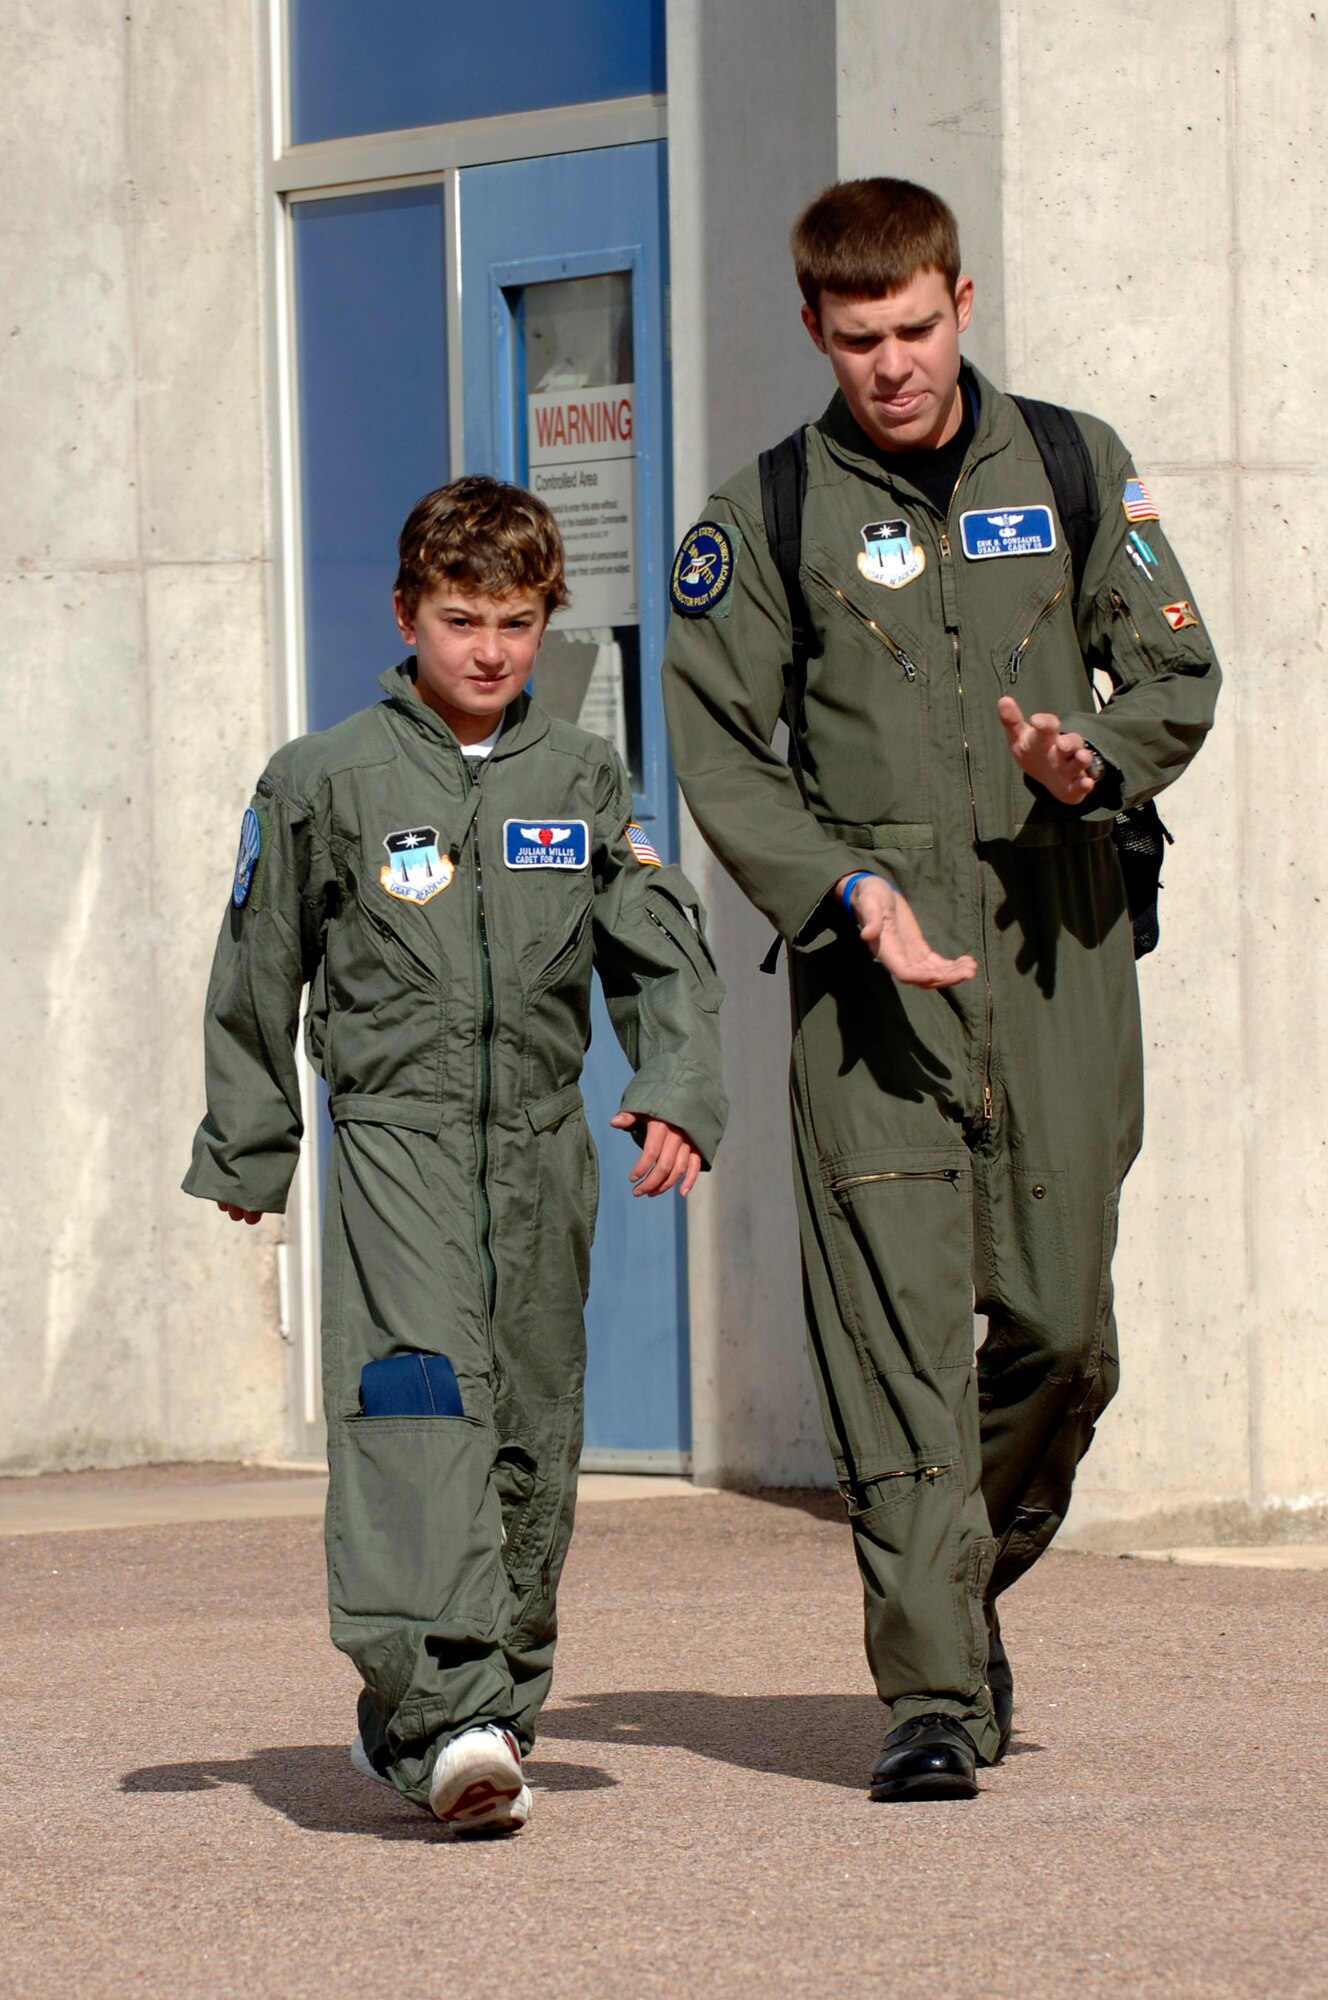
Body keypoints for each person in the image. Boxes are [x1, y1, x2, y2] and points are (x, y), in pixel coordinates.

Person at [661, 178, 1218, 1801]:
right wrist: (844, 886)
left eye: (914, 329)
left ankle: (951, 1595)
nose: (891, 365)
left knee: (1062, 1336)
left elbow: (1177, 667)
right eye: (857, 341)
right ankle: (930, 1703)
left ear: (961, 302)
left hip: (1056, 949)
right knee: (898, 1346)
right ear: (817, 330)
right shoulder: (762, 513)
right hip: (874, 983)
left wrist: (1086, 759)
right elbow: (717, 748)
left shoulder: (1073, 464)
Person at [184, 477, 726, 1834]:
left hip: (544, 1155)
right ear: (406, 614)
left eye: (518, 621)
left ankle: (478, 1711)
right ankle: (445, 1708)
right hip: (398, 1148)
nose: (488, 649)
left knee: (532, 1428)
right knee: (423, 1414)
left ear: (548, 621)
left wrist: (675, 1086)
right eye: (460, 618)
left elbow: (662, 951)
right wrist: (254, 1140)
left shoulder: (585, 779)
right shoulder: (326, 781)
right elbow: (255, 972)